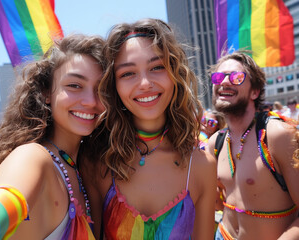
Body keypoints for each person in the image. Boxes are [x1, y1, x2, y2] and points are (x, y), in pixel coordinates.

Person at [83, 18, 217, 240]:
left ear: (175, 75)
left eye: (157, 67)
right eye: (127, 73)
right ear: (112, 85)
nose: (145, 83)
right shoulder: (96, 158)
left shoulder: (201, 164)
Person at [0, 34, 105, 239]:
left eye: (101, 89)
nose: (91, 101)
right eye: (74, 86)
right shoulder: (32, 157)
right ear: (47, 92)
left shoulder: (84, 168)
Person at [207, 51, 299, 239]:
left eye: (236, 77)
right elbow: (218, 204)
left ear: (254, 91)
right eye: (218, 77)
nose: (224, 82)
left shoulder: (276, 135)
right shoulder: (214, 143)